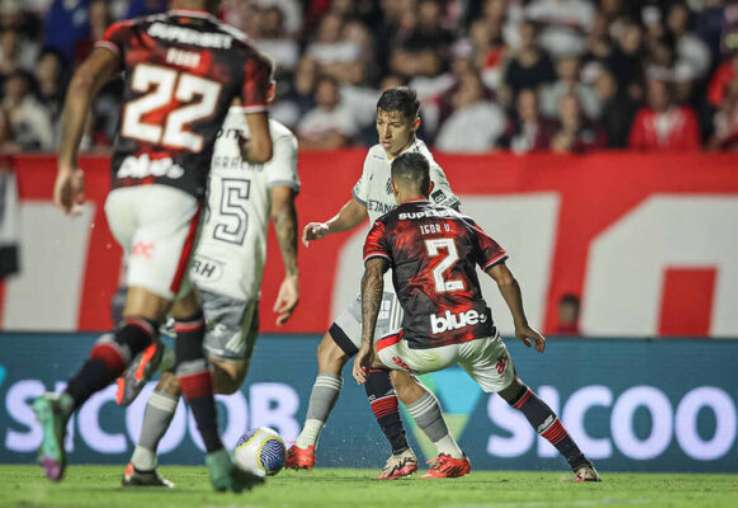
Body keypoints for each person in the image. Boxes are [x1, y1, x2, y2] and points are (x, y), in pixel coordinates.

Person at [32, 0, 274, 493]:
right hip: (175, 200)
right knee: (143, 323)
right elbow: (262, 148)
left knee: (189, 321)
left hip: (123, 195)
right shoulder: (240, 54)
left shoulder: (131, 32)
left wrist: (66, 166)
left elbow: (80, 83)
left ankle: (212, 457)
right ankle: (66, 402)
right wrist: (246, 147)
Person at [353, 152, 600, 481]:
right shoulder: (462, 221)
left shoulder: (387, 226)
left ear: (393, 188)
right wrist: (521, 324)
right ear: (429, 185)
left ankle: (412, 453)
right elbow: (505, 278)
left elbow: (373, 278)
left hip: (429, 341)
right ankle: (581, 465)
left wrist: (366, 342)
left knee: (376, 365)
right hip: (477, 333)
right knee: (517, 393)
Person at [118, 105, 300, 487]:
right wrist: (292, 274)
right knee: (229, 377)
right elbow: (282, 208)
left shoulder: (198, 130)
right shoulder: (276, 136)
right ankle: (162, 352)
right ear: (268, 90)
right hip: (235, 274)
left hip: (192, 263)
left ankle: (142, 463)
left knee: (182, 369)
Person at [289, 86, 462, 480]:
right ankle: (305, 445)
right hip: (379, 285)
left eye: (395, 126)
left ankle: (435, 453)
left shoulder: (427, 171)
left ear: (415, 126)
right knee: (331, 352)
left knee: (388, 370)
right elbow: (362, 205)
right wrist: (329, 226)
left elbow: (454, 225)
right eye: (380, 123)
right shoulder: (373, 156)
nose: (385, 133)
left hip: (409, 289)